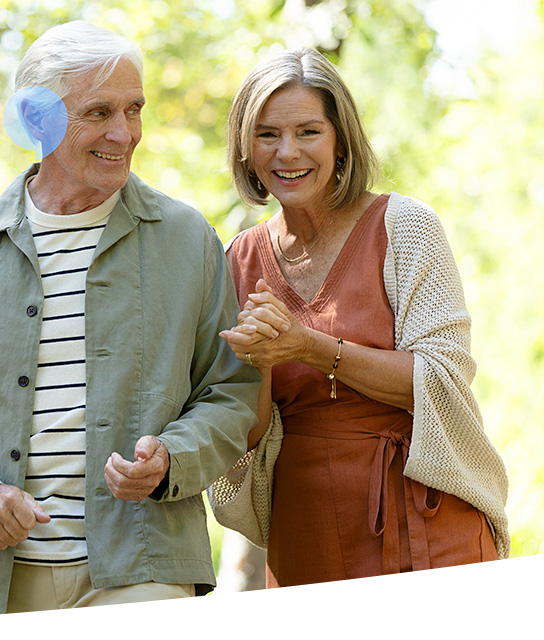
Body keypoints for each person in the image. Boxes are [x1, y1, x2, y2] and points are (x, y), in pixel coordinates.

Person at [0, 21, 257, 615]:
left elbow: (231, 392)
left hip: (144, 562)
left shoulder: (188, 239)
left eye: (134, 109)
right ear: (37, 120)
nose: (124, 133)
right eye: (99, 112)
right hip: (3, 577)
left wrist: (173, 459)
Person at [212, 47, 508, 587]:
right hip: (306, 529)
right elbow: (244, 432)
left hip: (428, 514)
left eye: (308, 131)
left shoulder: (406, 227)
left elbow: (440, 382)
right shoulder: (236, 260)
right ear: (244, 148)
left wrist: (307, 346)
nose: (287, 152)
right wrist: (257, 358)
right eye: (268, 134)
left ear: (341, 140)